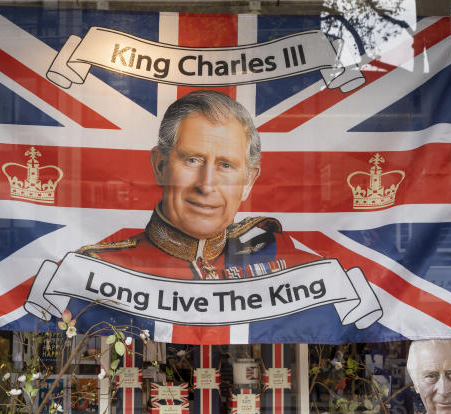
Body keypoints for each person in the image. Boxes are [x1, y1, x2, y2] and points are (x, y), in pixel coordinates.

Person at [78, 90, 315, 279]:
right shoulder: (95, 271)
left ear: (248, 182)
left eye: (226, 165)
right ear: (160, 166)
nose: (207, 185)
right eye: (192, 160)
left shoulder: (285, 262)